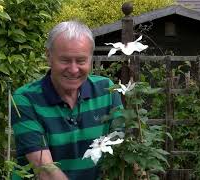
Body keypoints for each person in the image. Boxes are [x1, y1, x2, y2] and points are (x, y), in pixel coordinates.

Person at [11, 21, 122, 180]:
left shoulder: (107, 91)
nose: (73, 69)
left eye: (81, 61)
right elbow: (45, 171)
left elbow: (121, 150)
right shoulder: (25, 99)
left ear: (90, 59)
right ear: (48, 57)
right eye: (65, 60)